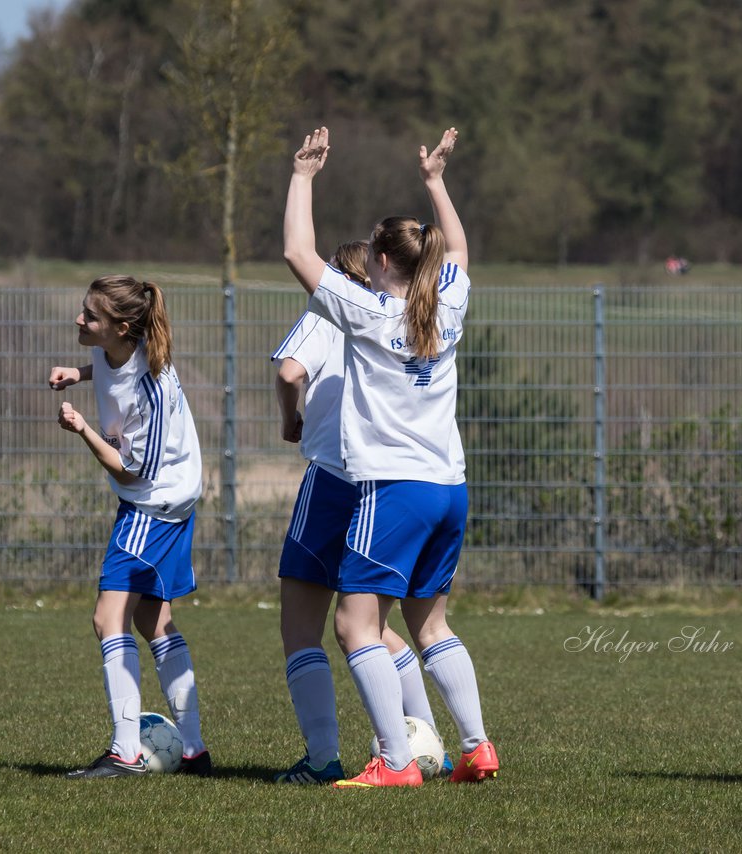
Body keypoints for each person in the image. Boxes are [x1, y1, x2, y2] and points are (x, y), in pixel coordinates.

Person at [283, 126, 499, 788]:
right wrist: (435, 181)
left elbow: (298, 250)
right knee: (428, 621)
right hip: (449, 487)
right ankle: (476, 747)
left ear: (379, 260)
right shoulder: (449, 303)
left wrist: (303, 177)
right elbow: (457, 246)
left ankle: (395, 763)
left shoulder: (370, 312)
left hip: (395, 490)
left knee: (353, 626)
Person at [272, 240, 448, 784]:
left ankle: (324, 757)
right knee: (377, 625)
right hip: (389, 483)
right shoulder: (410, 318)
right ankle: (425, 739)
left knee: (303, 624)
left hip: (332, 475)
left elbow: (288, 370)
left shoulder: (330, 310)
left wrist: (289, 417)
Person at [50, 274, 211, 779]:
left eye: (90, 317)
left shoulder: (152, 387)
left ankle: (124, 753)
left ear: (122, 328)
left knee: (108, 619)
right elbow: (105, 370)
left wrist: (83, 430)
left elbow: (131, 469)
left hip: (154, 505)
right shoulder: (111, 349)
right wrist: (76, 374)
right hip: (162, 499)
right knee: (152, 622)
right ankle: (194, 752)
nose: (80, 319)